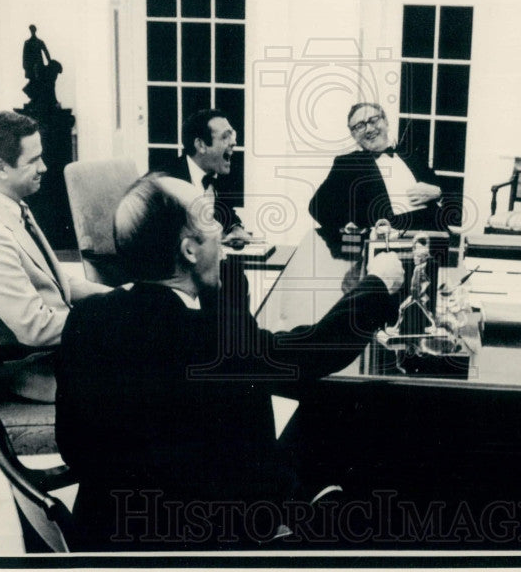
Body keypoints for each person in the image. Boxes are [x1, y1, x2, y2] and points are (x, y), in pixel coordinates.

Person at [55, 175, 404, 550]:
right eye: (209, 218)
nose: (221, 226)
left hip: (111, 533)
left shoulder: (86, 319)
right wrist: (376, 285)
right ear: (189, 250)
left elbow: (72, 446)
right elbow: (312, 351)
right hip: (207, 547)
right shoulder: (213, 337)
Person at [0, 111, 108, 402]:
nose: (45, 167)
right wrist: (112, 319)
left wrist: (118, 296)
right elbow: (35, 329)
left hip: (58, 356)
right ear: (1, 168)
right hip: (36, 371)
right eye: (34, 160)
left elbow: (56, 282)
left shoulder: (10, 207)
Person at [308, 102, 449, 232]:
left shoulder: (412, 155)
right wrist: (346, 227)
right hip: (388, 243)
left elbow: (450, 197)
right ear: (353, 135)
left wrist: (439, 193)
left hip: (433, 235)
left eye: (373, 120)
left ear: (386, 122)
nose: (369, 129)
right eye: (359, 126)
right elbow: (317, 206)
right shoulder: (348, 164)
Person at [155, 108, 252, 246]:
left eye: (232, 135)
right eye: (225, 137)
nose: (233, 142)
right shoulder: (166, 182)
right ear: (201, 145)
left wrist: (235, 229)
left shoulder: (221, 174)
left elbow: (228, 214)